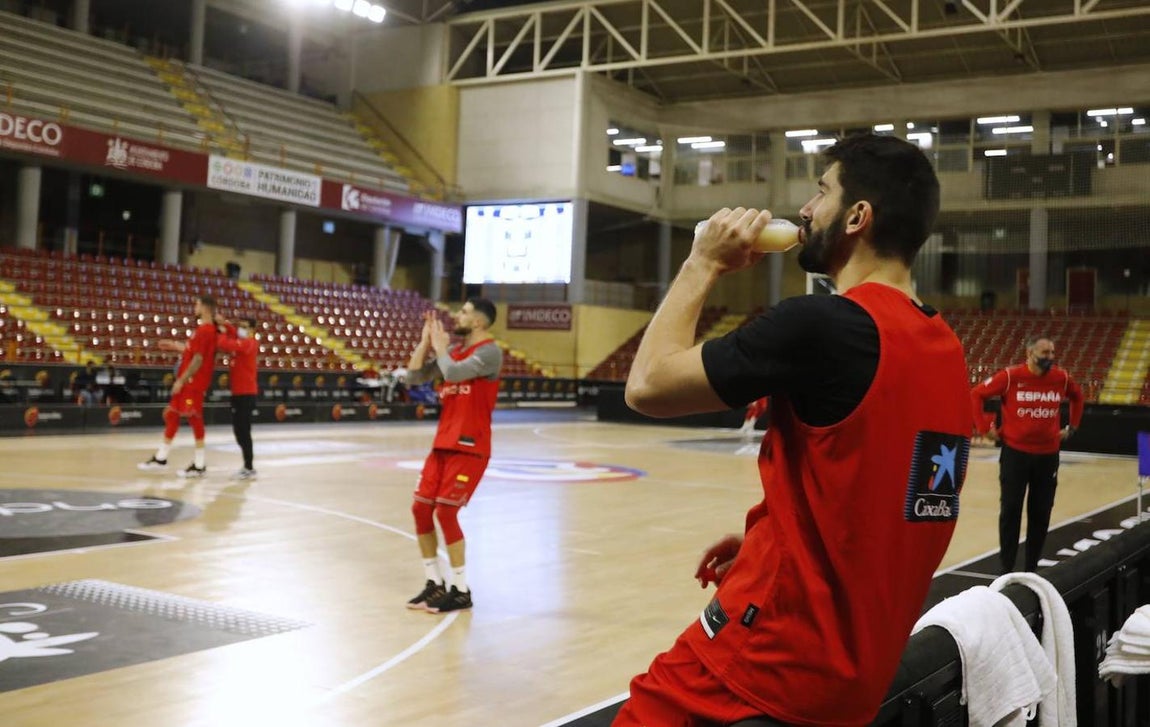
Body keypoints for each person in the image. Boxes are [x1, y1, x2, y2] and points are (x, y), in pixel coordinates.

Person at [616, 134, 972, 726]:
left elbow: (647, 386)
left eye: (821, 192)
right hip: (850, 686)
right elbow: (898, 507)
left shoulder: (821, 325)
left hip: (763, 665)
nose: (805, 210)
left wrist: (702, 262)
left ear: (858, 217)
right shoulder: (946, 352)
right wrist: (771, 541)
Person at [404, 300, 503, 614]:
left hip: (470, 447)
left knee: (446, 513)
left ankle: (461, 590)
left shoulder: (489, 352)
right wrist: (424, 343)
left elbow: (455, 373)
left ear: (478, 322)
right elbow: (413, 378)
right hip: (443, 444)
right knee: (421, 509)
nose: (456, 316)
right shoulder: (455, 352)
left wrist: (439, 347)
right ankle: (434, 583)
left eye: (463, 311)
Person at [970, 336, 1084, 574]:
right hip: (1015, 455)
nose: (1050, 358)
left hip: (1048, 455)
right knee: (1011, 510)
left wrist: (1072, 426)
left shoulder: (1060, 378)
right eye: (1045, 353)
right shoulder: (1011, 376)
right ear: (1029, 353)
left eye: (1052, 353)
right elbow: (976, 394)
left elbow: (1078, 396)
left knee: (1040, 512)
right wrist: (983, 429)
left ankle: (1032, 568)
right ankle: (1006, 568)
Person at [138, 295, 219, 478]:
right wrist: (175, 346)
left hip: (193, 383)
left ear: (205, 308)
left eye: (197, 303)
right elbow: (192, 352)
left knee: (194, 418)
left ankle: (199, 465)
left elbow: (199, 359)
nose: (194, 306)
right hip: (188, 381)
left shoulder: (207, 330)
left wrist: (181, 380)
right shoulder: (201, 330)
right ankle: (161, 458)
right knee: (173, 414)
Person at [215, 315, 260, 480]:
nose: (241, 328)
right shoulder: (241, 340)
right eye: (240, 325)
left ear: (252, 330)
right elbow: (233, 333)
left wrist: (221, 331)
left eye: (245, 326)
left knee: (244, 431)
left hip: (247, 394)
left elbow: (225, 343)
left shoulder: (250, 343)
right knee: (238, 431)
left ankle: (249, 467)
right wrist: (225, 323)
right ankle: (247, 466)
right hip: (237, 393)